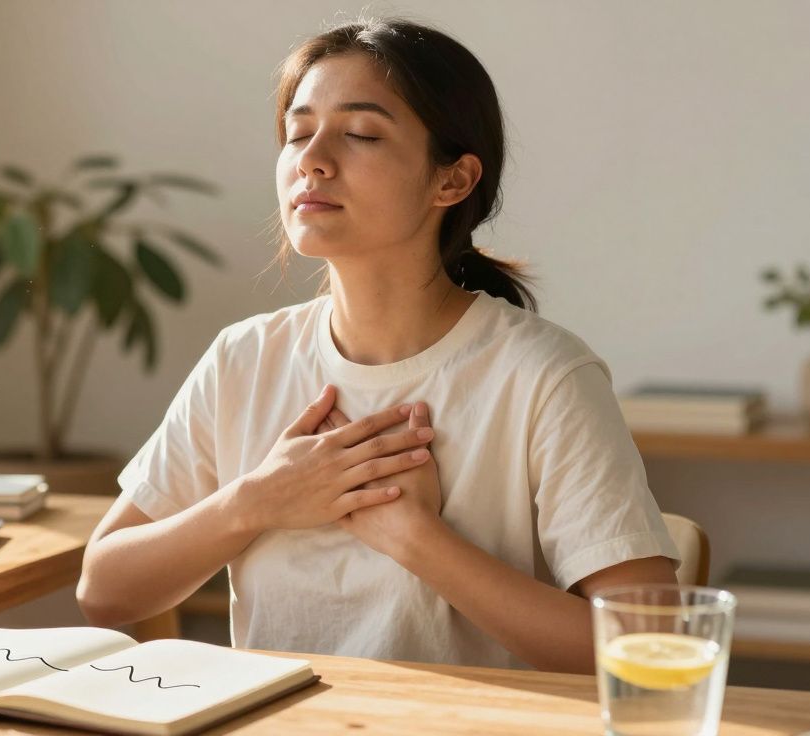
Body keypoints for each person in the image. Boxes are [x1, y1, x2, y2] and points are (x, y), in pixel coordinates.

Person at [76, 17, 679, 674]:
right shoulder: (243, 359)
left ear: (452, 181)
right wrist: (256, 501)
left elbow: (645, 650)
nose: (312, 157)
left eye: (360, 134)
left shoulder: (545, 378)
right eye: (298, 133)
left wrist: (416, 538)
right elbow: (104, 590)